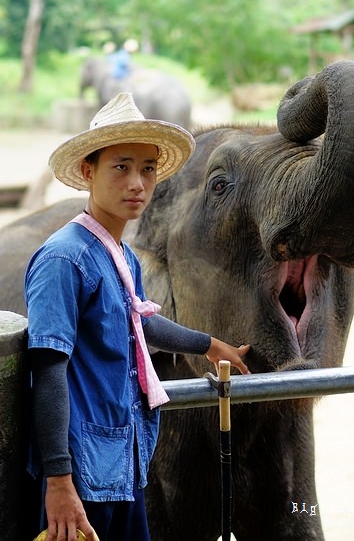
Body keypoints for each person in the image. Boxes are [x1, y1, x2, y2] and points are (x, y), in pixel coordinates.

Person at [25, 92, 250, 541]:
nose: (138, 184)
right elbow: (48, 369)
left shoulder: (123, 255)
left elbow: (138, 323)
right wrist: (58, 481)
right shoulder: (64, 259)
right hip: (80, 475)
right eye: (121, 167)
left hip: (122, 462)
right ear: (89, 172)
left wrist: (208, 345)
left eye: (148, 169)